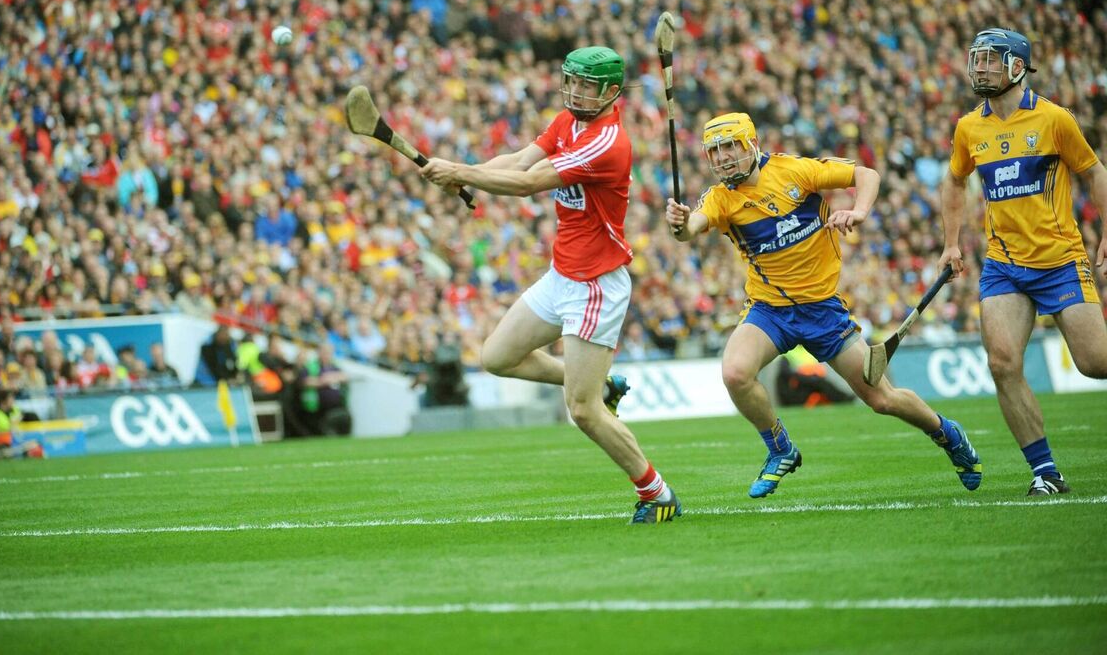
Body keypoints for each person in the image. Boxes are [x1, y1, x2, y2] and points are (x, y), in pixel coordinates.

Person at [421, 46, 682, 524]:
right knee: (496, 357)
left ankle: (656, 492)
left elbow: (528, 184)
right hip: (561, 274)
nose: (576, 91)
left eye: (586, 84)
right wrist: (466, 172)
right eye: (572, 81)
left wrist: (461, 174)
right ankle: (602, 386)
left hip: (596, 284)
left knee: (582, 412)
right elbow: (520, 161)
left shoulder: (608, 143)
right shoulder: (567, 123)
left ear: (609, 91)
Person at [665, 112, 982, 498]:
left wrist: (859, 211)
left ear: (752, 144)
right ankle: (780, 448)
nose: (724, 157)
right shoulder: (720, 199)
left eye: (731, 146)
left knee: (881, 399)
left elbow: (867, 175)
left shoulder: (795, 170)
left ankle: (946, 433)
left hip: (823, 312)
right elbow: (690, 230)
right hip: (770, 310)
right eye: (715, 151)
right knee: (734, 372)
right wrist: (680, 223)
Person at [939, 28, 1107, 496]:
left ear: (1017, 66)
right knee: (1003, 362)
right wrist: (952, 243)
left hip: (1059, 261)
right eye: (976, 59)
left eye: (991, 59)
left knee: (1096, 363)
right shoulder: (970, 127)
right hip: (1004, 265)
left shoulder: (1055, 119)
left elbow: (1095, 173)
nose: (980, 67)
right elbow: (954, 182)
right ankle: (1045, 472)